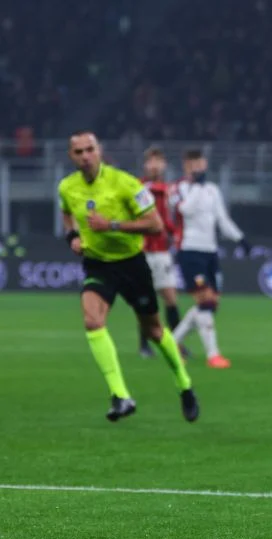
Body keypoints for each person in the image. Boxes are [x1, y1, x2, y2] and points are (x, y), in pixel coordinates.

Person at [58, 131, 199, 422]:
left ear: (99, 151)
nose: (85, 156)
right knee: (92, 320)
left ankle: (184, 385)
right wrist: (72, 235)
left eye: (89, 150)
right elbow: (67, 213)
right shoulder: (67, 187)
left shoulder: (125, 183)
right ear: (71, 156)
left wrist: (111, 225)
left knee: (155, 331)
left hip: (132, 264)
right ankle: (120, 396)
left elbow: (155, 224)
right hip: (98, 264)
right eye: (78, 152)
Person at [171, 149, 248, 369]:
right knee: (204, 301)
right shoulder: (179, 188)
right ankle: (213, 355)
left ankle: (173, 342)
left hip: (210, 252)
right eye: (193, 164)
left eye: (201, 164)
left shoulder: (212, 190)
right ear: (186, 166)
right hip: (189, 250)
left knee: (212, 304)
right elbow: (184, 210)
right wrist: (196, 186)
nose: (198, 168)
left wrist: (240, 239)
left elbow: (222, 219)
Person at [137, 146, 185, 358]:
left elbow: (168, 219)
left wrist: (175, 234)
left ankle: (177, 343)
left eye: (159, 161)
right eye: (151, 161)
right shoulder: (139, 187)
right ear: (145, 165)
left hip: (162, 250)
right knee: (145, 298)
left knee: (171, 299)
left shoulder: (168, 190)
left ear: (164, 165)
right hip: (143, 250)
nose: (155, 165)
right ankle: (144, 345)